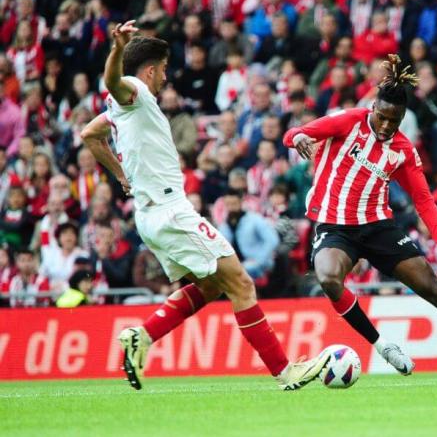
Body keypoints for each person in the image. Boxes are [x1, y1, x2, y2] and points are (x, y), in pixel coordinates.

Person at [81, 21, 329, 391]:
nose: (165, 77)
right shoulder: (134, 90)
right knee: (241, 284)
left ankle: (143, 336)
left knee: (212, 286)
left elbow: (90, 135)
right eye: (163, 69)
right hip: (170, 212)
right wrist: (117, 49)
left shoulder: (121, 111)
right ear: (150, 70)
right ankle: (284, 371)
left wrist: (121, 176)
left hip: (153, 214)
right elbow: (114, 83)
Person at [283, 54, 437, 381]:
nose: (386, 126)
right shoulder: (347, 121)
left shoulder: (402, 149)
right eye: (382, 117)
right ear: (373, 108)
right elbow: (294, 134)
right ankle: (383, 346)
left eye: (394, 121)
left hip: (378, 227)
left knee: (435, 290)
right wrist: (299, 136)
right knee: (328, 278)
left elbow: (424, 200)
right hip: (336, 225)